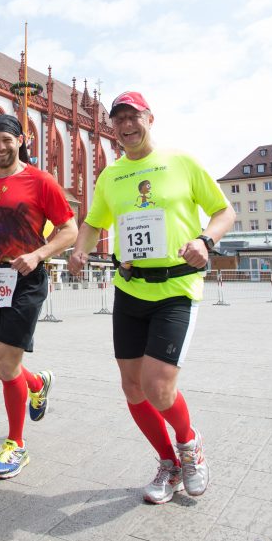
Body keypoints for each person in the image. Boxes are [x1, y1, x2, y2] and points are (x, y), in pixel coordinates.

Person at [68, 91, 234, 504]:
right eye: (118, 119)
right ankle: (168, 463)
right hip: (129, 288)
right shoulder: (111, 174)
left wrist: (205, 240)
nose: (126, 125)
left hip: (176, 289)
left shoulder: (182, 162)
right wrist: (79, 249)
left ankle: (189, 443)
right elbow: (92, 221)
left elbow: (223, 211)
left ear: (150, 118)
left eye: (133, 117)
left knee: (158, 387)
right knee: (132, 387)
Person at [0, 115, 77, 479]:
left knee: (7, 363)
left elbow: (69, 230)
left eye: (6, 140)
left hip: (26, 279)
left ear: (21, 140)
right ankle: (37, 385)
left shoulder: (41, 180)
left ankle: (15, 445)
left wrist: (39, 254)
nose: (0, 147)